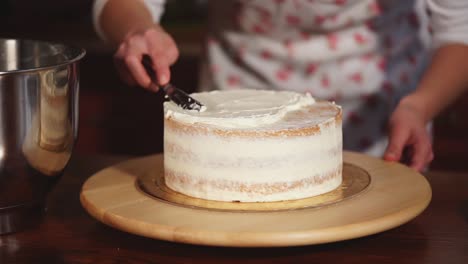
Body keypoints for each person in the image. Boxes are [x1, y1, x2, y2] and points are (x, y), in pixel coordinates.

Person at [92, 0, 468, 172]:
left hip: (383, 120)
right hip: (232, 109)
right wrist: (136, 29)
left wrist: (420, 106)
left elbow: (460, 28)